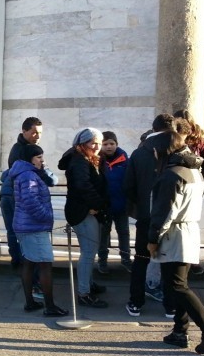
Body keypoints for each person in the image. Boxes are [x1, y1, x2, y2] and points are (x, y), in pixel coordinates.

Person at [150, 126, 204, 354]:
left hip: (175, 233)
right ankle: (179, 331)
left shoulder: (172, 173)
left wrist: (153, 238)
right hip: (187, 230)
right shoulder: (192, 169)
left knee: (177, 286)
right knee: (177, 285)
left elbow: (166, 212)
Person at [123, 114, 175, 316]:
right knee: (170, 262)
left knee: (141, 259)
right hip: (171, 217)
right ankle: (170, 305)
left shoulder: (139, 153)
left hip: (146, 215)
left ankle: (136, 302)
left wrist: (138, 207)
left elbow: (128, 185)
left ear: (153, 128)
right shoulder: (177, 151)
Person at [10, 144, 68, 316]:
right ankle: (49, 306)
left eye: (42, 156)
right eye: (38, 157)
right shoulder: (28, 175)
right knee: (45, 265)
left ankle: (30, 303)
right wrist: (46, 217)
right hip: (33, 227)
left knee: (29, 263)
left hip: (26, 226)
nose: (42, 160)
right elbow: (30, 201)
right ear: (30, 159)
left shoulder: (26, 173)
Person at [57, 127, 109, 308]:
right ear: (82, 143)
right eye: (92, 142)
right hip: (82, 211)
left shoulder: (86, 158)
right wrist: (98, 205)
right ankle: (84, 293)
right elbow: (83, 186)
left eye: (99, 142)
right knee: (88, 252)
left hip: (85, 209)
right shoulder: (79, 160)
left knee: (90, 251)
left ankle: (88, 283)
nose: (97, 146)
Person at [0, 117, 49, 269]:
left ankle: (18, 261)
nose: (38, 136)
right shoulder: (23, 150)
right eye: (34, 132)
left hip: (8, 193)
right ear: (24, 131)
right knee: (21, 232)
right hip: (15, 194)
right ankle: (24, 263)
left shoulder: (18, 147)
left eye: (40, 133)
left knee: (13, 230)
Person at [174, 109, 204, 276]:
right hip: (175, 186)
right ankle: (177, 261)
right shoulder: (171, 141)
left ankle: (192, 261)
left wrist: (201, 181)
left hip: (193, 189)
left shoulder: (199, 142)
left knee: (191, 226)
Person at [97, 131, 131, 273]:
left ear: (117, 144)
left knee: (124, 232)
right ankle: (102, 261)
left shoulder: (125, 160)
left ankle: (126, 259)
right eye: (105, 144)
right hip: (104, 205)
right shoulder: (97, 160)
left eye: (112, 144)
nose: (109, 147)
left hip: (121, 203)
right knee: (103, 234)